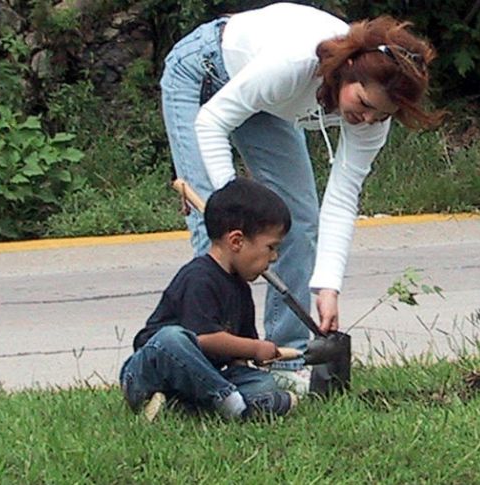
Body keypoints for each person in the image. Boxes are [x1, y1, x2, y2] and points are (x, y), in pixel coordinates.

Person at [160, 2, 444, 392]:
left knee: (298, 219)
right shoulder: (295, 64)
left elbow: (342, 199)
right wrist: (233, 204)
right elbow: (212, 121)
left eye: (380, 115)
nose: (366, 120)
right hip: (204, 69)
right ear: (347, 71)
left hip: (265, 101)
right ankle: (206, 367)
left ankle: (284, 362)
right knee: (216, 231)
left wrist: (327, 287)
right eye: (362, 105)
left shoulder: (374, 118)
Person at [119, 177, 298, 420]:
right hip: (149, 374)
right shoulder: (199, 278)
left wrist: (247, 361)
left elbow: (237, 356)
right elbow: (203, 340)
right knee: (172, 337)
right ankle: (234, 405)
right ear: (236, 241)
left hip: (201, 381)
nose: (274, 257)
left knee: (262, 382)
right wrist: (256, 348)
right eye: (271, 247)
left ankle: (185, 408)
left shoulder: (241, 289)